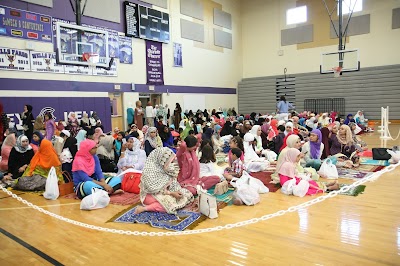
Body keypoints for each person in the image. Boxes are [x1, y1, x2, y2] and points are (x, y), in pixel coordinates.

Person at [135, 147, 194, 214]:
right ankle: (144, 208)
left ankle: (157, 205)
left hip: (166, 193)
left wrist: (176, 191)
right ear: (161, 160)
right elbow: (153, 189)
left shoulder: (166, 168)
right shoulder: (150, 171)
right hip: (150, 195)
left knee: (186, 194)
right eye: (169, 161)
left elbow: (173, 183)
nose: (170, 163)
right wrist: (171, 193)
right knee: (168, 204)